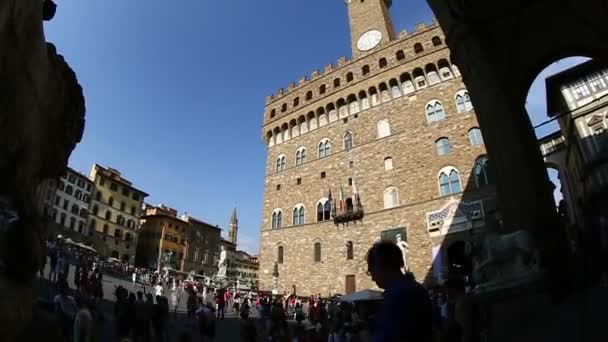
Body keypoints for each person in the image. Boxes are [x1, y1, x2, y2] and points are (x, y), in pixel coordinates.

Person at [366, 241, 432, 342]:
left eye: (371, 271)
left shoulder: (397, 296)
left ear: (382, 266)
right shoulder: (415, 288)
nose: (373, 278)